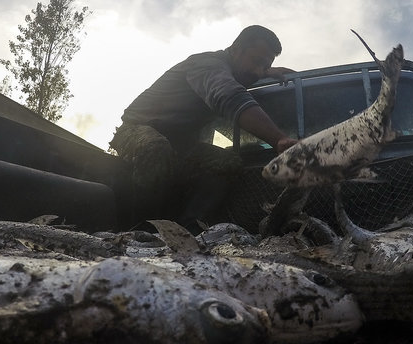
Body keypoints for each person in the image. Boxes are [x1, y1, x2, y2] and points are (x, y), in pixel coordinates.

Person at [110, 25, 297, 233]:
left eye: (264, 65)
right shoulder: (207, 65)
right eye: (256, 61)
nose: (258, 71)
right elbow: (229, 96)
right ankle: (139, 234)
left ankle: (190, 231)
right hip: (136, 129)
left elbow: (247, 73)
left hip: (180, 146)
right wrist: (279, 139)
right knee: (156, 148)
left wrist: (267, 72)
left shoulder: (240, 70)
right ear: (235, 50)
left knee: (227, 162)